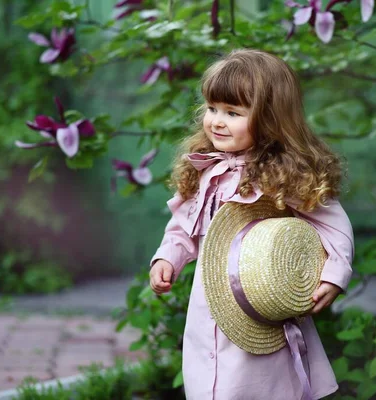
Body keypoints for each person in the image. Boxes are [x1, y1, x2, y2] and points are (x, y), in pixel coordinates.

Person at [149, 48, 354, 400]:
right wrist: (168, 257)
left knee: (260, 381)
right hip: (210, 302)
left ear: (270, 118)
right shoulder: (207, 170)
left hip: (261, 303)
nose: (216, 121)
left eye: (232, 113)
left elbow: (332, 223)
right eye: (212, 109)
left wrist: (334, 273)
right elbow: (184, 225)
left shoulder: (282, 174)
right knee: (210, 379)